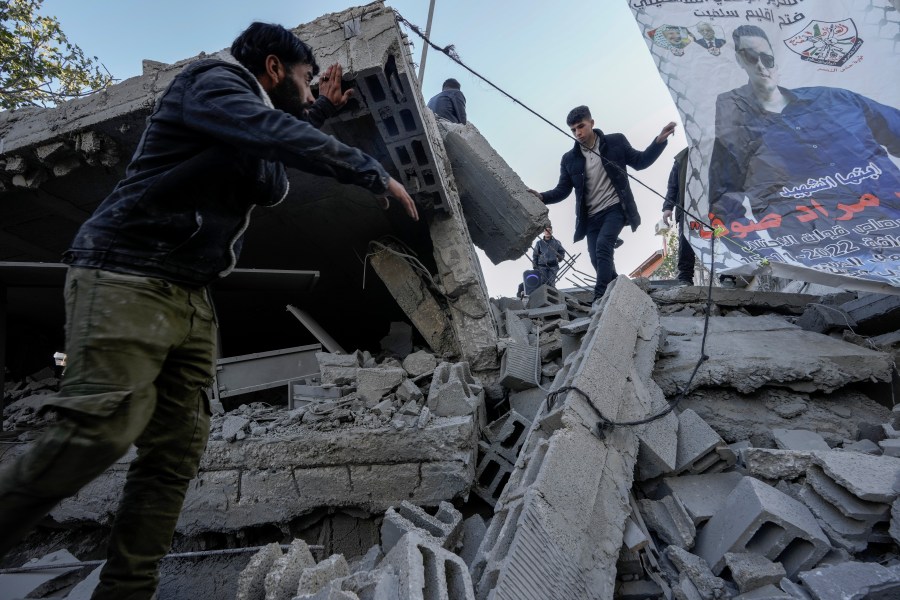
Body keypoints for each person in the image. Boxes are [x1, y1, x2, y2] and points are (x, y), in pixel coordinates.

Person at [0, 21, 418, 599]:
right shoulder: (212, 81)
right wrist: (370, 171)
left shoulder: (245, 124)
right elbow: (268, 129)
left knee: (175, 451)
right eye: (303, 76)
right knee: (97, 432)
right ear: (273, 69)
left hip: (190, 293)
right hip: (128, 271)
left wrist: (318, 109)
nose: (308, 84)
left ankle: (126, 591)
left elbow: (268, 148)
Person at [707, 25, 900, 280]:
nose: (761, 66)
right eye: (751, 57)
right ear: (739, 60)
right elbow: (724, 205)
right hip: (823, 253)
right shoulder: (734, 132)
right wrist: (757, 255)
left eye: (767, 58)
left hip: (890, 224)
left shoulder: (836, 100)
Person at [528, 106, 675, 303]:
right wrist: (542, 196)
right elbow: (563, 190)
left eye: (581, 126)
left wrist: (659, 141)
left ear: (592, 123)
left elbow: (640, 161)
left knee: (603, 246)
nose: (578, 133)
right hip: (590, 217)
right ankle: (624, 294)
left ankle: (598, 297)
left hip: (615, 208)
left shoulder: (616, 142)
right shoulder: (569, 159)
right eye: (573, 130)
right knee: (596, 259)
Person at [662, 147, 696, 285]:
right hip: (687, 208)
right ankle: (685, 277)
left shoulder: (716, 151)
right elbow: (673, 186)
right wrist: (668, 207)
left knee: (718, 241)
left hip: (713, 209)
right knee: (686, 242)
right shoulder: (682, 158)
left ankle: (726, 276)